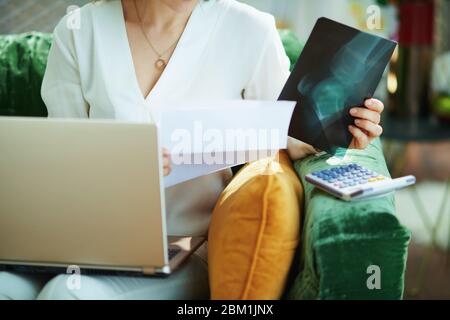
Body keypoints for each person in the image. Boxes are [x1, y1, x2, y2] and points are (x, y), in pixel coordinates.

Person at [0, 0, 385, 300]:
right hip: (81, 240)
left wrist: (344, 130)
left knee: (67, 293)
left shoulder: (248, 30)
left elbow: (291, 135)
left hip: (184, 249)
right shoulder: (79, 31)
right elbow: (59, 161)